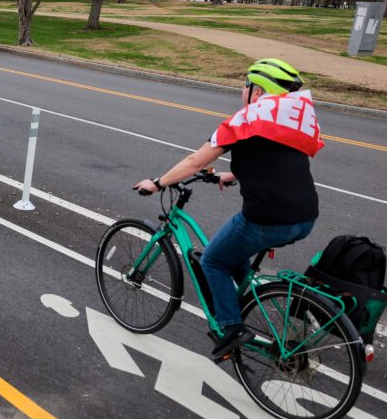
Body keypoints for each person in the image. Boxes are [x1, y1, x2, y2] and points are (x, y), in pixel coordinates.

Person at [133, 59, 324, 360]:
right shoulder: (291, 118)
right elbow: (275, 160)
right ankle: (248, 303)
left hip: (267, 219)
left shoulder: (246, 119)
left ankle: (232, 329)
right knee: (233, 256)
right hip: (305, 217)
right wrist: (232, 173)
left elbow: (196, 161)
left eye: (245, 85)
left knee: (213, 261)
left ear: (258, 91)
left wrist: (158, 183)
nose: (242, 90)